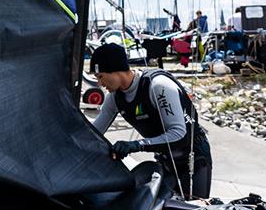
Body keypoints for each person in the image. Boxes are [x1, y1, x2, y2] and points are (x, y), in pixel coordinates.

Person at [89, 43, 213, 199]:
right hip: (165, 160)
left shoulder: (158, 86)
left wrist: (135, 145)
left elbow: (180, 135)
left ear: (115, 70)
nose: (99, 84)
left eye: (100, 77)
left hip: (193, 159)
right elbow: (93, 134)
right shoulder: (114, 98)